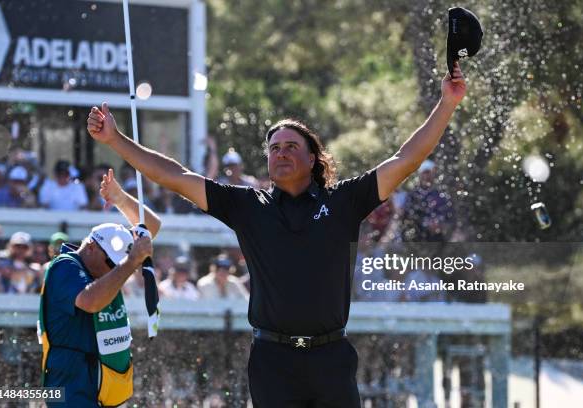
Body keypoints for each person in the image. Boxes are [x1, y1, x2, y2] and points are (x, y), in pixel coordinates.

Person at [87, 62, 467, 407]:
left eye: (290, 147)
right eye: (273, 148)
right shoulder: (247, 206)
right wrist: (116, 141)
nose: (280, 153)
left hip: (331, 357)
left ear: (313, 159)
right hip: (272, 361)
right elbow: (174, 175)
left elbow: (406, 159)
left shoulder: (345, 200)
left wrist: (446, 104)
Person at [37, 170, 161, 407]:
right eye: (110, 263)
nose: (114, 270)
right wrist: (131, 261)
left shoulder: (107, 269)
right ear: (91, 247)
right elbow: (89, 301)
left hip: (99, 383)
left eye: (117, 264)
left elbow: (152, 227)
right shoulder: (64, 265)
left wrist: (120, 198)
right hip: (70, 386)